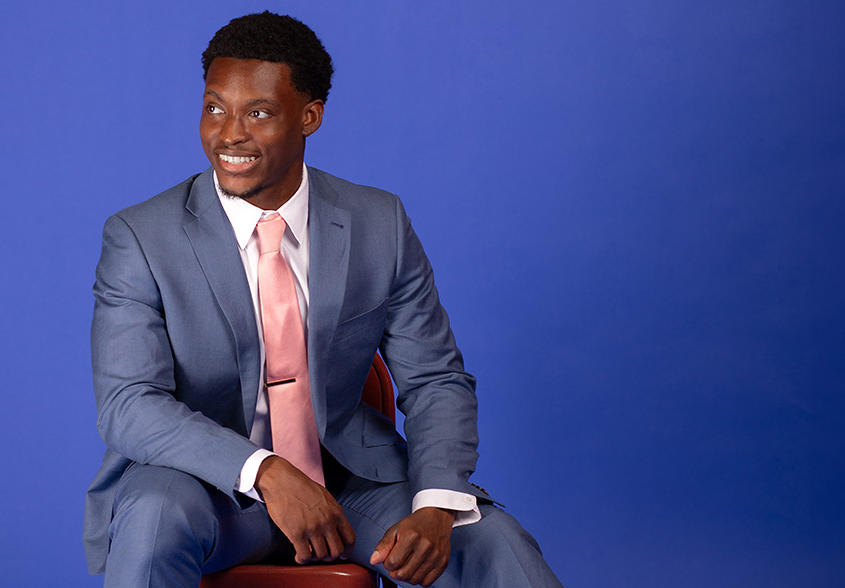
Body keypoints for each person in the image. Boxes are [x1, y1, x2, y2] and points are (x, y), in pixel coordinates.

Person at [84, 11, 563, 588]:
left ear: (309, 117)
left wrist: (436, 501)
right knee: (154, 514)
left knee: (491, 541)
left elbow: (435, 379)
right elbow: (130, 403)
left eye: (257, 113)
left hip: (350, 488)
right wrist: (267, 473)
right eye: (214, 107)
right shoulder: (140, 237)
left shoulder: (377, 223)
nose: (228, 133)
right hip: (205, 489)